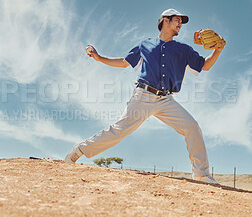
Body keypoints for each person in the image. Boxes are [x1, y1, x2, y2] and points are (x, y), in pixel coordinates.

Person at [64, 9, 224, 184]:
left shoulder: (183, 49)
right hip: (143, 95)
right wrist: (99, 57)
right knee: (119, 130)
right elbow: (124, 62)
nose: (180, 24)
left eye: (181, 21)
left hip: (166, 100)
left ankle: (201, 174)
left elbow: (205, 65)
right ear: (165, 21)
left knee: (192, 127)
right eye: (177, 20)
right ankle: (79, 150)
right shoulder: (145, 45)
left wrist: (217, 50)